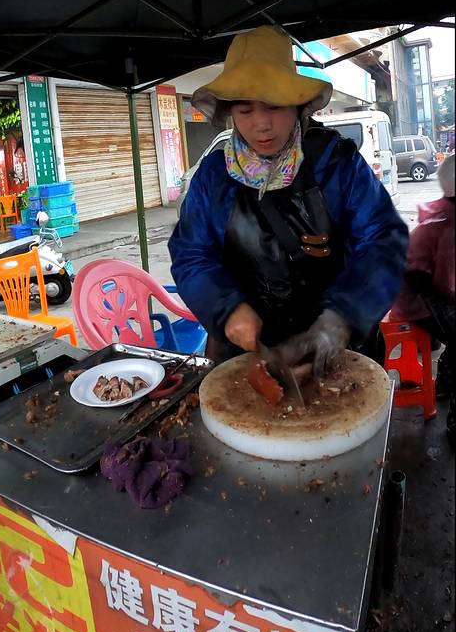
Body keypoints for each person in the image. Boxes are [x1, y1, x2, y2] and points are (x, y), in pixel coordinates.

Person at [168, 26, 408, 377]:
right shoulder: (213, 177)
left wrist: (342, 317)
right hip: (248, 358)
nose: (261, 125)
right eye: (245, 110)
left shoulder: (337, 163)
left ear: (297, 105)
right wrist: (226, 308)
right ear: (230, 111)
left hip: (340, 349)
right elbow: (191, 254)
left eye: (274, 106)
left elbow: (383, 241)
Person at [391, 153, 455, 441]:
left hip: (428, 293)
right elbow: (432, 283)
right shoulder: (444, 223)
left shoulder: (446, 214)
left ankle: (444, 385)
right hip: (415, 301)